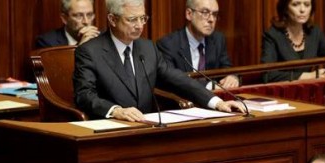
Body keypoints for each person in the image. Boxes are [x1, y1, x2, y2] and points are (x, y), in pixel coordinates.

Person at [74, 0, 244, 121]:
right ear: (112, 19)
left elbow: (177, 79)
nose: (140, 25)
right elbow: (84, 95)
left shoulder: (148, 48)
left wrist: (216, 102)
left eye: (143, 18)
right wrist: (115, 111)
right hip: (108, 130)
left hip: (146, 128)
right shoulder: (90, 51)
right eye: (132, 19)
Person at [156, 0, 239, 89]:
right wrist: (210, 86)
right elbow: (172, 81)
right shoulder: (168, 45)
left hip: (216, 100)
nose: (211, 19)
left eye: (214, 14)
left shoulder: (218, 39)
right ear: (189, 14)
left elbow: (226, 68)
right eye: (205, 12)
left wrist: (232, 77)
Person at [261, 0, 325, 83]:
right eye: (295, 4)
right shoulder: (272, 35)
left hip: (309, 90)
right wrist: (310, 75)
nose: (302, 10)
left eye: (307, 5)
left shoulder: (314, 32)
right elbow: (267, 75)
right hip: (282, 92)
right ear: (285, 8)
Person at [35, 0, 100, 48]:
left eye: (89, 15)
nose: (86, 21)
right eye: (79, 16)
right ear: (64, 18)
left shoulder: (103, 39)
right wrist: (80, 48)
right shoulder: (48, 42)